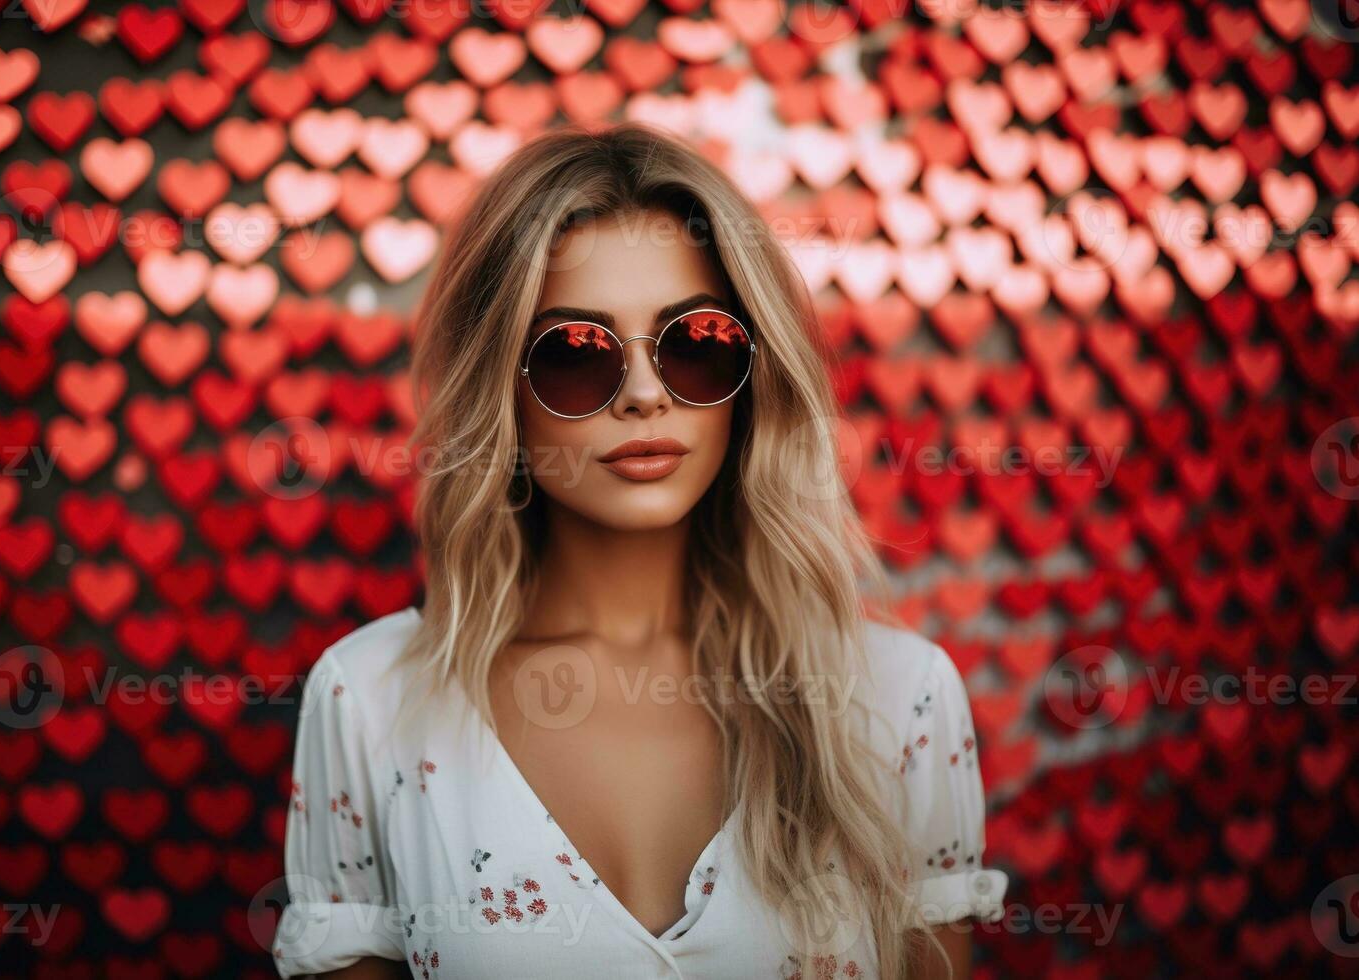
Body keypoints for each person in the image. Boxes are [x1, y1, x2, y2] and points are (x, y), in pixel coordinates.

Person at [272, 122, 1006, 980]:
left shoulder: (899, 705)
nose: (647, 394)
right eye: (576, 355)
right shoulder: (370, 703)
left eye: (697, 343)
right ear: (497, 391)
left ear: (753, 374)